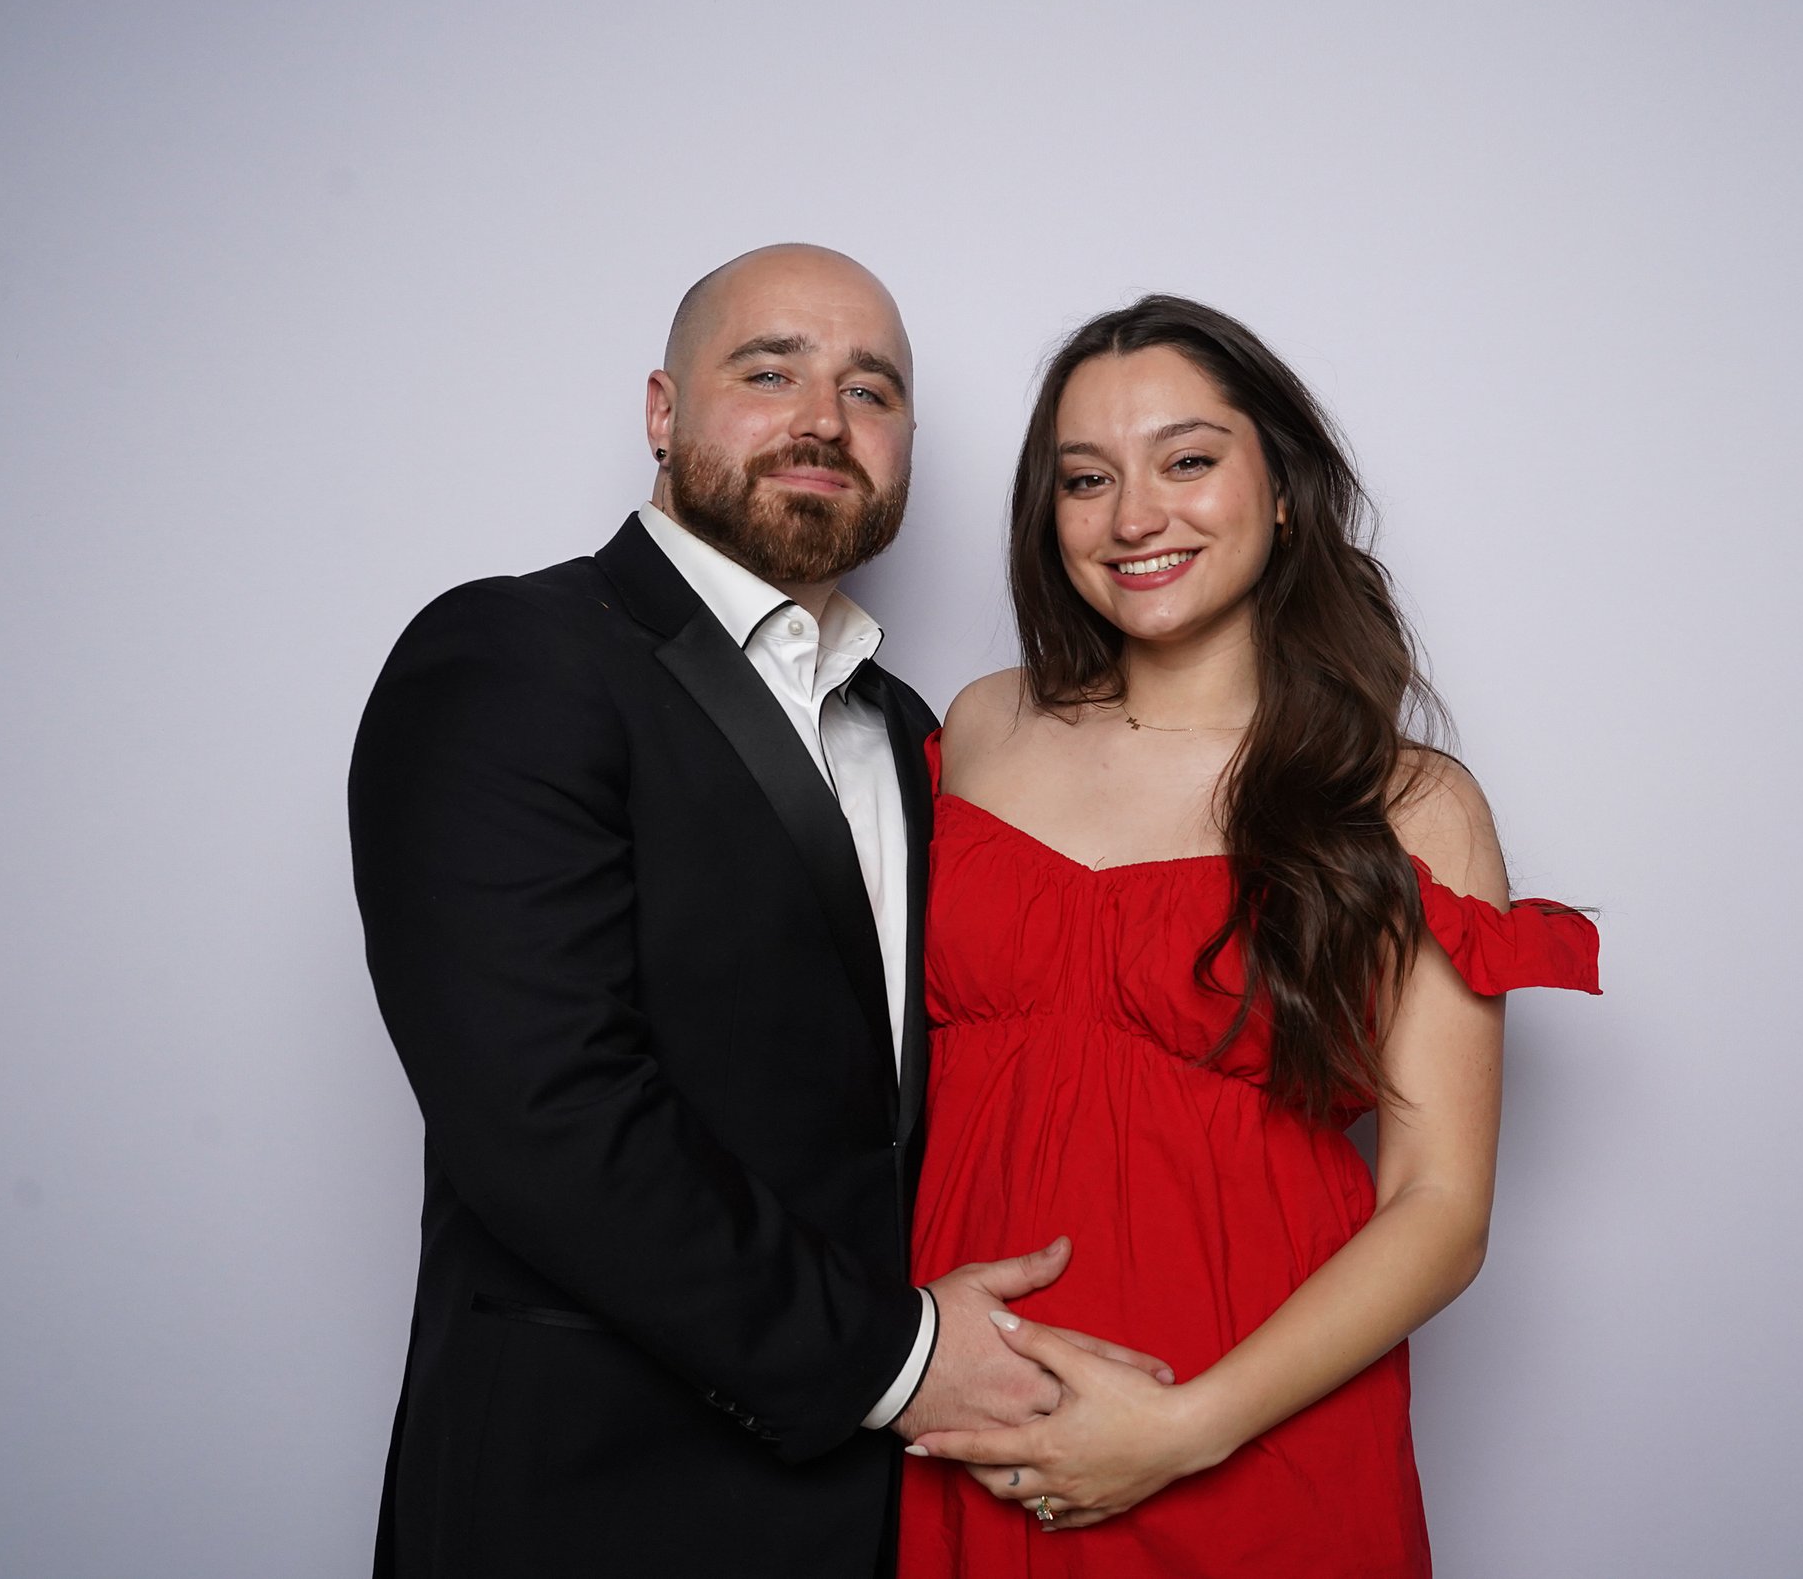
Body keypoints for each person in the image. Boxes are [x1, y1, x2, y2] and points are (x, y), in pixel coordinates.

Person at [348, 245, 1162, 1579]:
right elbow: (544, 1110)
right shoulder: (513, 656)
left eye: (871, 390)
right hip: (587, 1499)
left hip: (879, 1510)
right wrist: (903, 1356)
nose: (824, 418)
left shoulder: (913, 729)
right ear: (662, 410)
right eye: (769, 372)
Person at [898, 296, 1602, 1575]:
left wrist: (1182, 1428)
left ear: (1282, 490)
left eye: (1186, 460)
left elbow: (1441, 1203)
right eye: (1086, 478)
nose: (1134, 516)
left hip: (1254, 1442)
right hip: (971, 1422)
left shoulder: (1408, 802)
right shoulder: (984, 726)